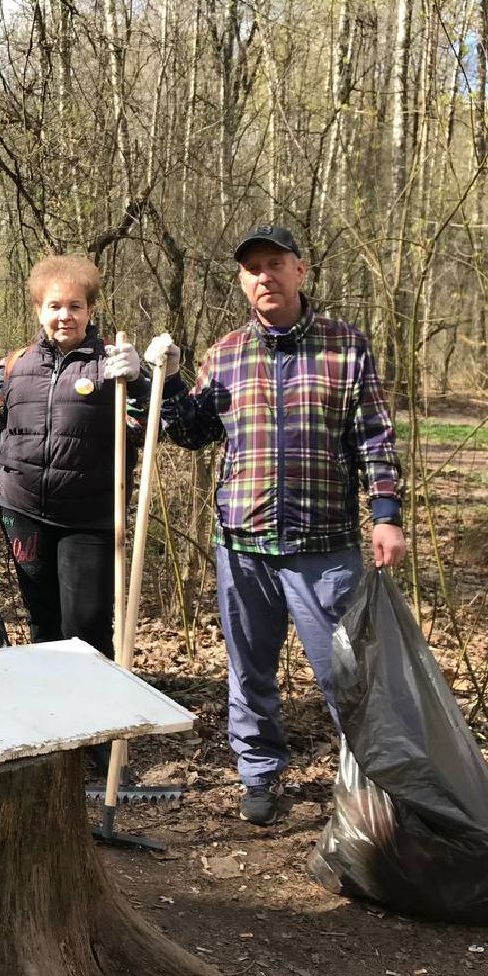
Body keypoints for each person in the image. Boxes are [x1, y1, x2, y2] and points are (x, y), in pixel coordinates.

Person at [155, 223, 406, 825]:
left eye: (274, 264)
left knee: (346, 673)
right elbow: (192, 432)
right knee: (249, 670)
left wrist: (386, 513)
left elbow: (372, 435)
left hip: (324, 545)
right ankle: (259, 774)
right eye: (252, 269)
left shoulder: (346, 347)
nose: (264, 277)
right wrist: (153, 385)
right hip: (242, 543)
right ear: (242, 282)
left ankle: (368, 783)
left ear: (300, 270)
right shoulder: (224, 355)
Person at [0, 254, 151, 671]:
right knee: (43, 624)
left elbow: (145, 429)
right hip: (23, 514)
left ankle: (94, 732)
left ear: (90, 310)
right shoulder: (13, 366)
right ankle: (56, 719)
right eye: (54, 306)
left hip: (89, 519)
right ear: (39, 310)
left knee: (86, 630)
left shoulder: (112, 366)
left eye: (75, 306)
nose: (65, 316)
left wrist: (141, 382)